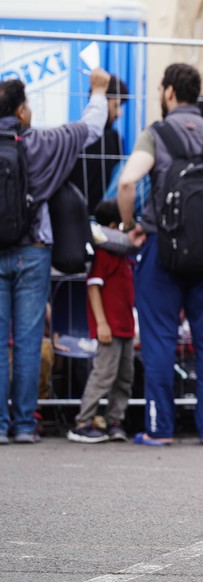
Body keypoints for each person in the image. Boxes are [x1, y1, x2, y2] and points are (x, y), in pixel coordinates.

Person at [117, 63, 203, 447]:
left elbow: (127, 181)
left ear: (169, 92)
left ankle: (160, 428)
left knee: (159, 337)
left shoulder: (156, 133)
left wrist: (129, 224)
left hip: (161, 247)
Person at [0, 68, 110, 445]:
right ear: (21, 112)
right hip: (33, 251)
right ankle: (25, 425)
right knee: (29, 341)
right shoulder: (44, 143)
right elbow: (92, 126)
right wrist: (98, 90)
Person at [66, 200, 134, 444]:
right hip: (111, 327)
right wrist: (102, 324)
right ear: (116, 225)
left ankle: (114, 420)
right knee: (104, 374)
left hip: (125, 327)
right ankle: (83, 421)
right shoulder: (105, 255)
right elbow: (94, 288)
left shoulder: (124, 257)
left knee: (125, 376)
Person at [69, 75, 128, 213]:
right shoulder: (111, 139)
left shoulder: (75, 136)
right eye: (116, 105)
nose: (119, 113)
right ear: (102, 102)